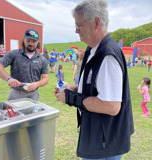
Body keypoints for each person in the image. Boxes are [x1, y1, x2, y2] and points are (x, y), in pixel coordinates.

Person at [55, 0, 134, 160]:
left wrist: (71, 98)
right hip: (99, 137)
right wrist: (74, 88)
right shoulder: (93, 50)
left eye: (79, 25)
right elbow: (97, 87)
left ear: (96, 22)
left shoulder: (107, 56)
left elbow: (112, 106)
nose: (76, 30)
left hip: (104, 143)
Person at [0, 28, 49, 101]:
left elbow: (45, 78)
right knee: (14, 113)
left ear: (38, 42)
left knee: (33, 112)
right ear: (24, 41)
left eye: (34, 41)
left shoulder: (42, 59)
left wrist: (37, 84)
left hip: (34, 95)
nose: (31, 44)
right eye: (28, 41)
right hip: (16, 94)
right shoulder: (14, 54)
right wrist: (9, 79)